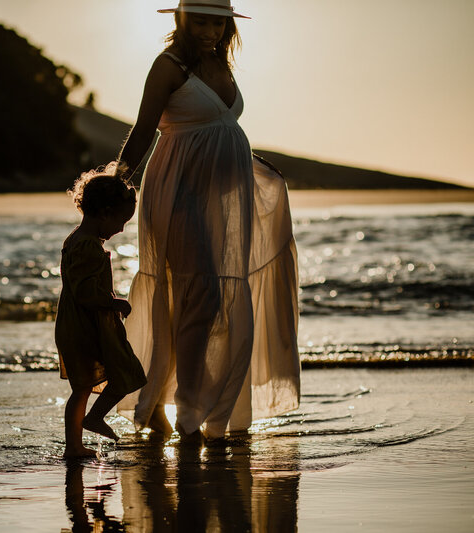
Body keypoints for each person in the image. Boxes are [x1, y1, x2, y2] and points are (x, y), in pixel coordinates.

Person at [115, 1, 301, 440]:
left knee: (201, 300)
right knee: (202, 299)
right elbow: (145, 129)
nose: (208, 30)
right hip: (178, 192)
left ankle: (162, 405)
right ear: (182, 20)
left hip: (222, 202)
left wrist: (252, 163)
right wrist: (116, 179)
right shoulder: (168, 66)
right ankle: (188, 413)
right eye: (199, 20)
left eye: (217, 21)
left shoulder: (221, 62)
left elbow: (216, 127)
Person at [55, 162, 148, 457]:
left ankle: (77, 442)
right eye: (121, 222)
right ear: (105, 213)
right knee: (120, 374)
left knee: (90, 384)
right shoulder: (87, 247)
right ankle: (88, 426)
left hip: (84, 324)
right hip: (86, 327)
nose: (121, 229)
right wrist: (114, 302)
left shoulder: (79, 239)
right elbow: (84, 292)